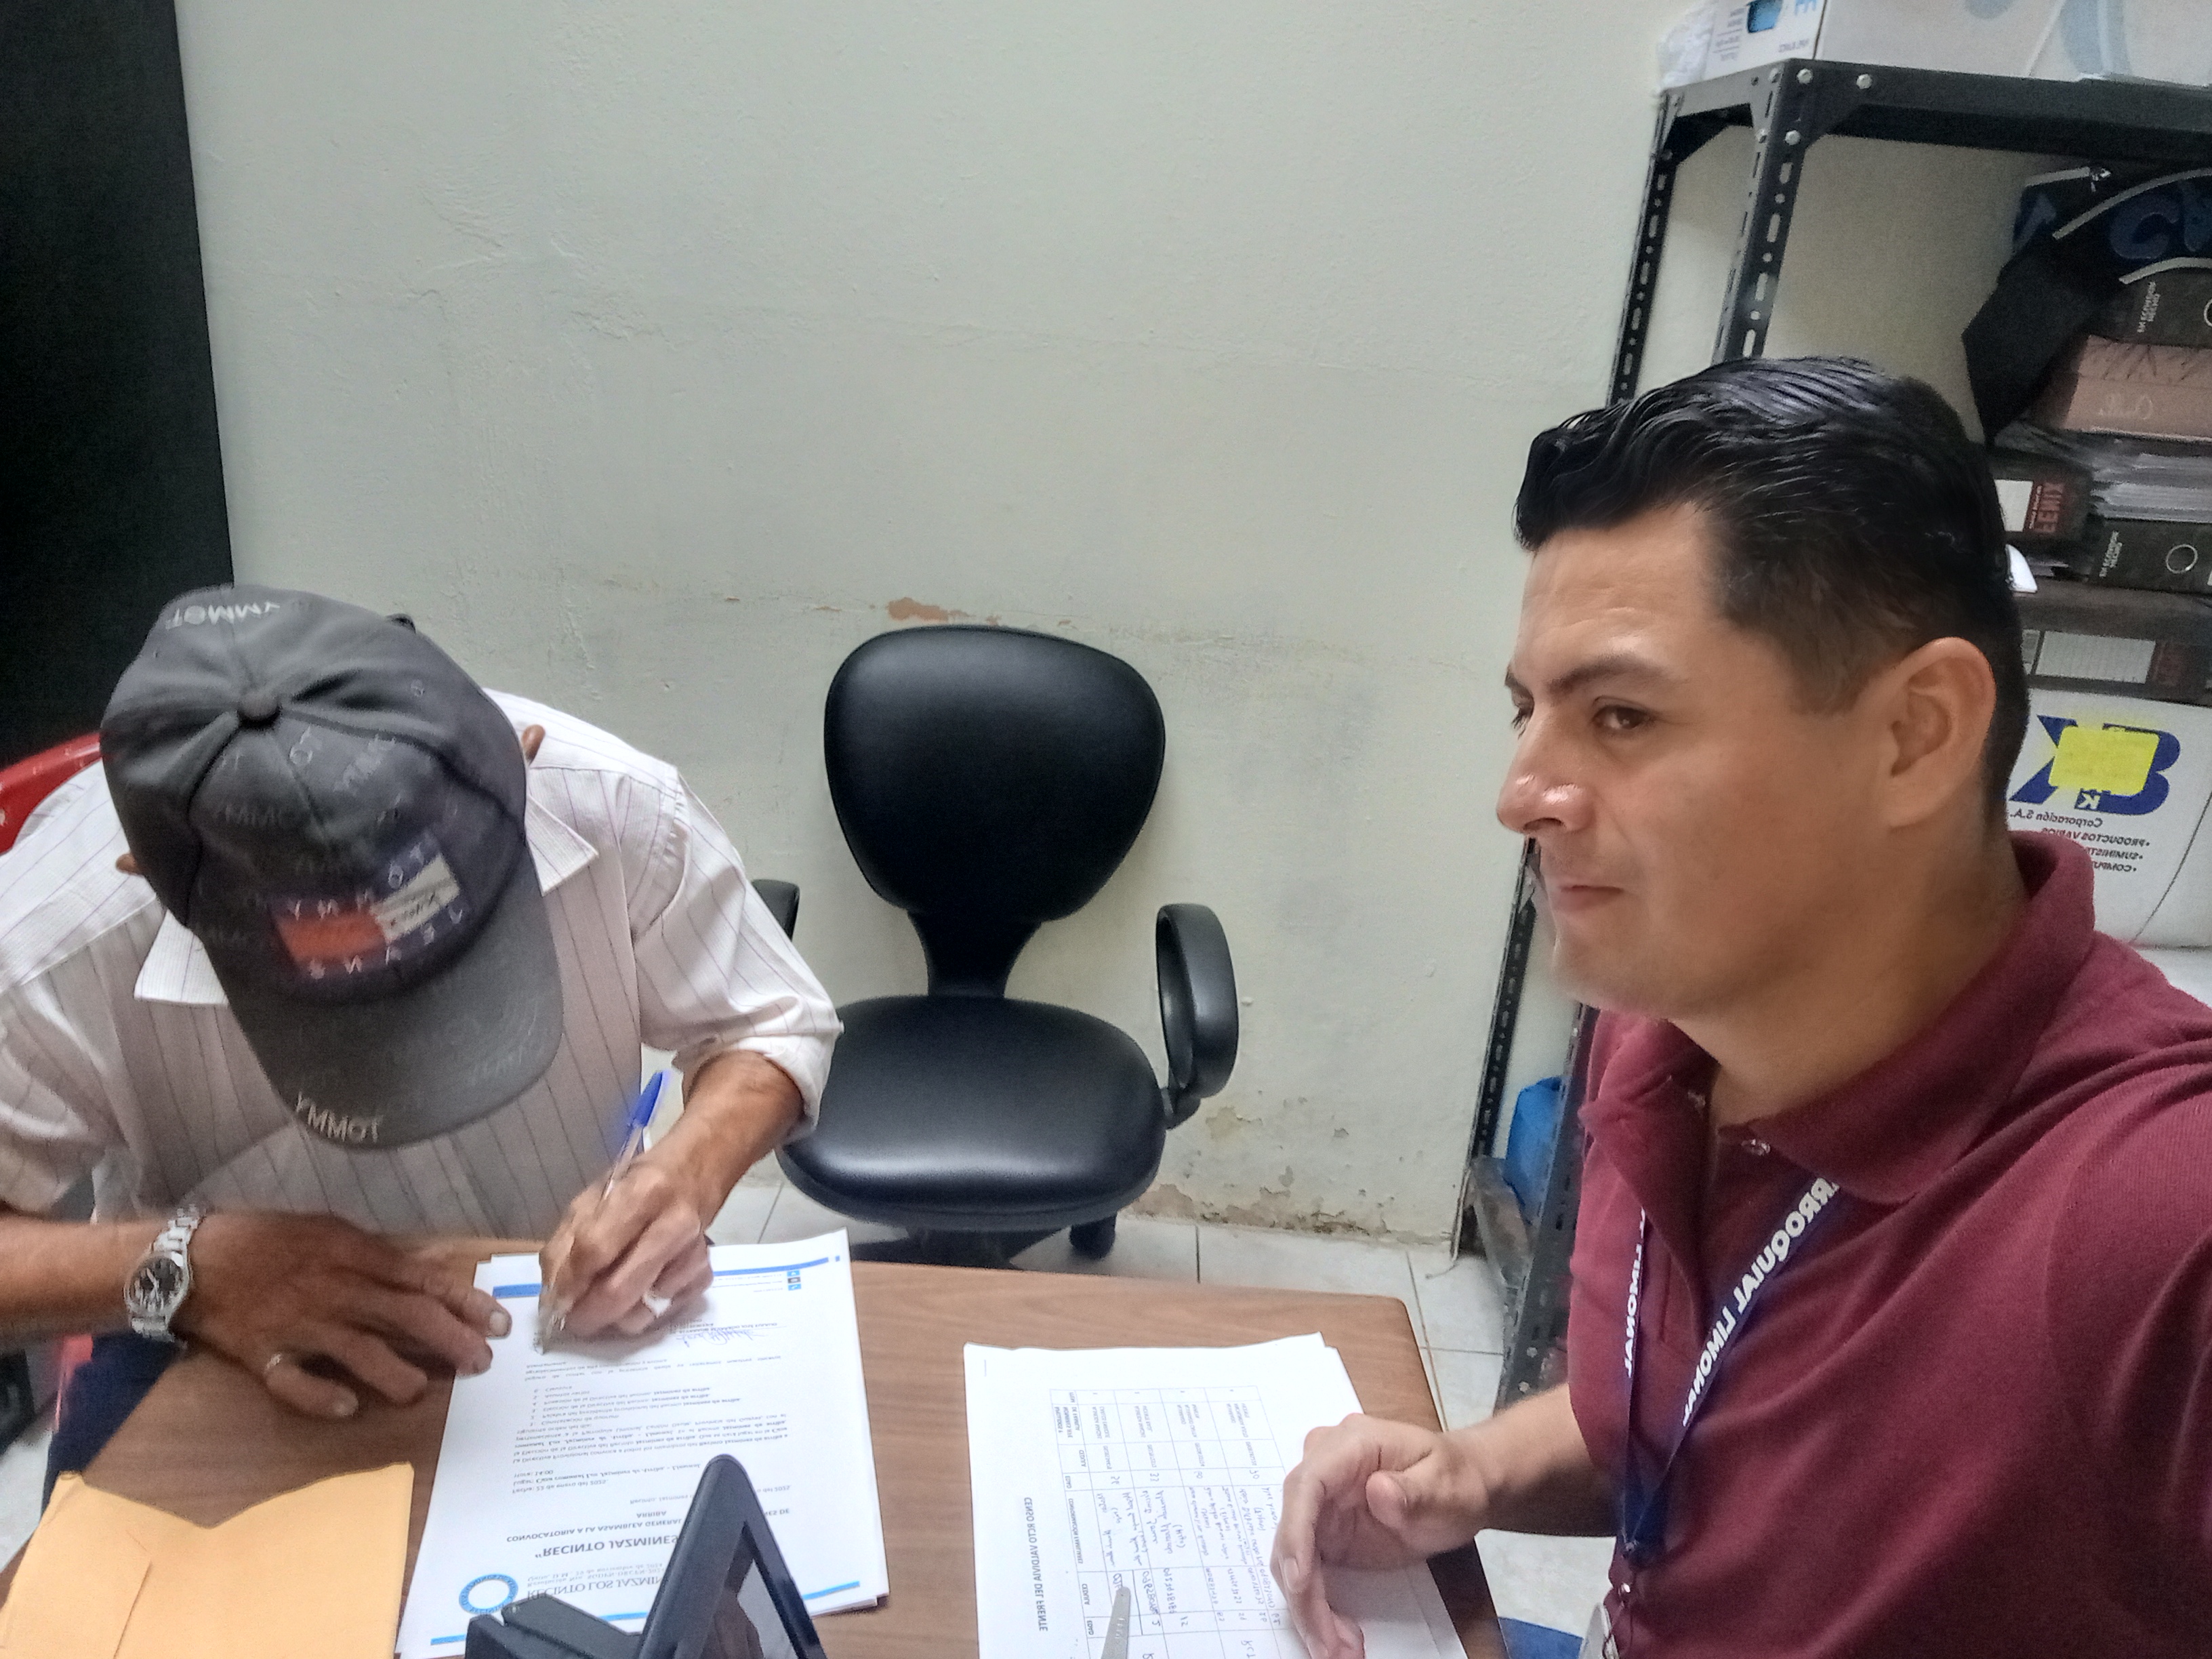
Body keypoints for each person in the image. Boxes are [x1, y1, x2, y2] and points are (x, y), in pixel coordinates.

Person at [1271, 358, 2212, 1657]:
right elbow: (1685, 1415)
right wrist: (1473, 1473)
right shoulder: (1676, 1027)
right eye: (1529, 711)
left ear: (1916, 735)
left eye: (1620, 715)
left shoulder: (2160, 1217)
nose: (1521, 793)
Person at [0, 586, 839, 1490]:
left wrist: (684, 1174)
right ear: (158, 886)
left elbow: (771, 1017)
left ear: (519, 762)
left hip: (560, 1338)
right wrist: (188, 1265)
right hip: (224, 1348)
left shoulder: (610, 802)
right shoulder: (48, 944)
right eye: (342, 1015)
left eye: (462, 961)